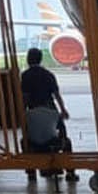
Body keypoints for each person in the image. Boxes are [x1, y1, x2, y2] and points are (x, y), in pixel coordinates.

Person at [21, 48, 71, 179]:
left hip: (33, 110)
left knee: (27, 137)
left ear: (28, 59)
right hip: (50, 108)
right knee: (63, 135)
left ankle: (31, 171)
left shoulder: (25, 75)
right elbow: (56, 94)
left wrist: (22, 112)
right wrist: (63, 110)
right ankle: (70, 170)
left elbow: (25, 97)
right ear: (40, 59)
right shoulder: (48, 74)